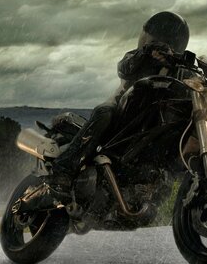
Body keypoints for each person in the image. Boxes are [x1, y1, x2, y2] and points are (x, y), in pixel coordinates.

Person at [22, 11, 190, 210]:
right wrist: (146, 54)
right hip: (123, 113)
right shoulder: (138, 57)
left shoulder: (181, 69)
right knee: (104, 112)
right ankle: (63, 172)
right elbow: (124, 69)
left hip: (148, 125)